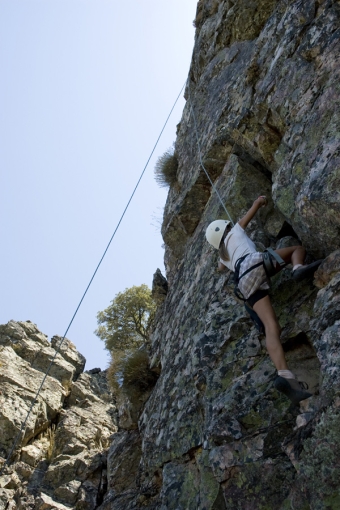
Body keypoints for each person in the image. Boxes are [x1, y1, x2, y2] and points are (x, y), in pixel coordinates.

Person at [205, 196, 322, 404]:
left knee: (270, 326)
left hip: (243, 283)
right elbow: (250, 212)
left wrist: (220, 256)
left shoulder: (223, 256)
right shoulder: (235, 231)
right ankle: (297, 268)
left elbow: (220, 268)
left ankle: (284, 373)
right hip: (254, 264)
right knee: (297, 250)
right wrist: (259, 201)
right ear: (226, 227)